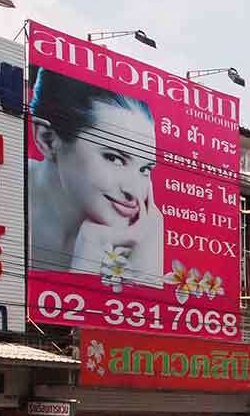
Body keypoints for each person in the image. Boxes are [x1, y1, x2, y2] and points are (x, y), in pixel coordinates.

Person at [28, 68, 162, 282]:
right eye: (114, 158)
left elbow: (146, 313)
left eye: (144, 169)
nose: (134, 191)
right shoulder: (6, 193)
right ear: (48, 139)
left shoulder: (146, 226)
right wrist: (85, 266)